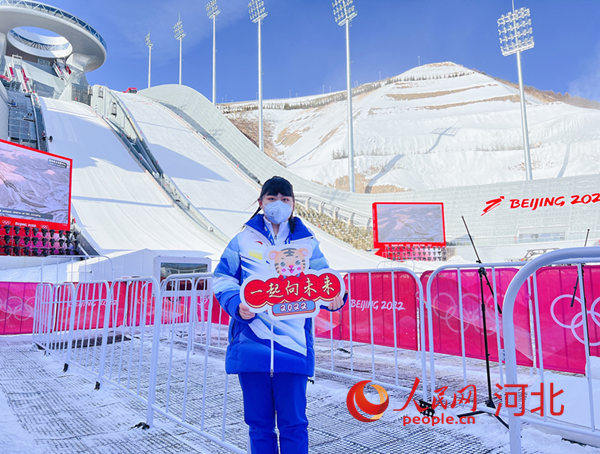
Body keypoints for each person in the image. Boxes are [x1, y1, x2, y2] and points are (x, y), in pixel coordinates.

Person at [214, 176, 345, 454]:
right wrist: (237, 304)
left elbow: (324, 279)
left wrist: (336, 298)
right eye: (272, 198)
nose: (278, 204)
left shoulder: (307, 243)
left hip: (293, 349)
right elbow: (223, 278)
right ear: (261, 202)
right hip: (252, 347)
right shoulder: (242, 241)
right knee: (259, 425)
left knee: (294, 424)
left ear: (293, 204)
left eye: (285, 199)